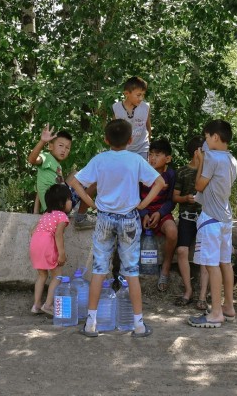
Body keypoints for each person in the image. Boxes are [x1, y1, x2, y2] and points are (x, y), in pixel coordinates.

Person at [67, 119, 165, 338]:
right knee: (131, 272)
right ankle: (139, 325)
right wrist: (143, 204)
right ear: (130, 140)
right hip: (130, 219)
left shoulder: (100, 159)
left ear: (106, 139)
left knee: (99, 270)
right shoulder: (135, 160)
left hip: (104, 218)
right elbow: (159, 182)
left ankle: (90, 324)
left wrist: (90, 203)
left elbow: (74, 181)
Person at [188, 120, 237, 328]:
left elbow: (199, 185)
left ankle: (216, 313)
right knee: (225, 263)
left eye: (207, 137)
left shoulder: (210, 158)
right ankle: (228, 307)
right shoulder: (232, 159)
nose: (205, 141)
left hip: (210, 219)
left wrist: (200, 161)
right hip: (225, 218)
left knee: (211, 264)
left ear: (215, 137)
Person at [27, 124, 95, 230]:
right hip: (58, 206)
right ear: (50, 146)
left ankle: (75, 209)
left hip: (59, 200)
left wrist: (36, 211)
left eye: (67, 148)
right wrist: (42, 142)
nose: (64, 150)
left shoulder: (57, 166)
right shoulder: (46, 157)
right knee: (92, 180)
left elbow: (40, 187)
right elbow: (31, 160)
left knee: (74, 174)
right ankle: (81, 217)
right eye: (60, 145)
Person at [172, 136, 210, 309]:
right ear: (197, 152)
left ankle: (202, 296)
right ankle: (188, 291)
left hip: (205, 218)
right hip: (187, 217)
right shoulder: (182, 172)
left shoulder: (209, 171)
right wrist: (185, 198)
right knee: (181, 250)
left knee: (205, 256)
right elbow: (175, 197)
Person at [137, 139, 178, 293]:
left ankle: (165, 269)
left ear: (167, 158)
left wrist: (160, 213)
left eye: (157, 155)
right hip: (142, 211)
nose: (152, 158)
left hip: (161, 212)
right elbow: (135, 196)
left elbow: (171, 200)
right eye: (151, 154)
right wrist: (144, 214)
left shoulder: (171, 175)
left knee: (172, 232)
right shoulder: (142, 172)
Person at [29, 184, 73, 316]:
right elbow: (58, 235)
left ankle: (36, 305)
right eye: (69, 199)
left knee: (42, 275)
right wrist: (61, 253)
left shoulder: (45, 215)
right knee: (57, 275)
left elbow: (32, 232)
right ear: (61, 203)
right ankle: (48, 305)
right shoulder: (62, 216)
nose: (71, 202)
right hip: (47, 245)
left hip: (35, 244)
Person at [112, 76, 151, 160]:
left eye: (143, 95)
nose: (141, 98)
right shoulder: (116, 108)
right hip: (122, 150)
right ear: (126, 93)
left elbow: (148, 127)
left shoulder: (145, 107)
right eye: (138, 95)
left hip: (142, 149)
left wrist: (148, 145)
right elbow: (113, 130)